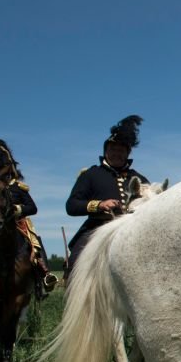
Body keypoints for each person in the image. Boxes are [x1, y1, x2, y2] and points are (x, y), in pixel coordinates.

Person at [0, 140, 58, 298]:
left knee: (34, 243)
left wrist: (17, 209)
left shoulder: (17, 187)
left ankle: (44, 276)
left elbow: (33, 208)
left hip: (18, 222)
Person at [65, 115, 148, 274]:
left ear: (127, 153)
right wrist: (99, 205)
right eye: (113, 149)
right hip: (97, 229)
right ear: (105, 151)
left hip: (133, 231)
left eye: (121, 150)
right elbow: (72, 205)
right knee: (75, 263)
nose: (117, 153)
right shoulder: (91, 174)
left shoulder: (139, 178)